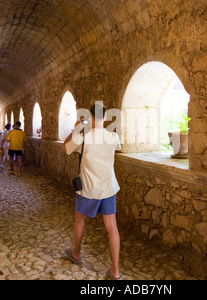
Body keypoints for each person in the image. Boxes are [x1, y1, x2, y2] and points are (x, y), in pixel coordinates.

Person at [61, 103, 122, 280]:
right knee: (112, 228)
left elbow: (64, 147)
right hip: (109, 188)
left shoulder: (83, 138)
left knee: (80, 221)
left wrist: (78, 126)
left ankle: (77, 254)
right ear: (105, 117)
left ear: (90, 117)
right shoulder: (113, 137)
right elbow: (116, 146)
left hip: (88, 189)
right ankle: (116, 271)